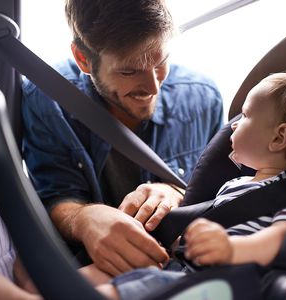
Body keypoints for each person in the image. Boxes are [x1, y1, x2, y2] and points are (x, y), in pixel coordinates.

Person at [0, 72, 286, 300]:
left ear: (279, 138)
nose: (232, 125)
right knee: (80, 272)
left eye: (245, 116)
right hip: (180, 262)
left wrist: (233, 248)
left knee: (136, 289)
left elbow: (285, 236)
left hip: (216, 281)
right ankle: (47, 284)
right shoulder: (240, 181)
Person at [21, 0, 223, 276]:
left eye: (161, 62)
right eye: (129, 71)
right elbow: (55, 195)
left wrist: (177, 192)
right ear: (83, 59)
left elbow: (227, 188)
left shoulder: (203, 98)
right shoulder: (46, 101)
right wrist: (83, 219)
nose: (153, 86)